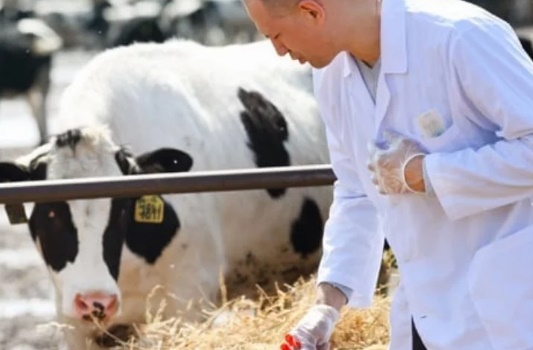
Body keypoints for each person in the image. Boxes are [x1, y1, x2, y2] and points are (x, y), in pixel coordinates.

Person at [242, 0, 533, 349]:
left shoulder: (459, 35)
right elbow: (357, 189)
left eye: (276, 35)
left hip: (508, 310)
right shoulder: (332, 73)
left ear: (312, 11)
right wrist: (328, 305)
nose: (278, 50)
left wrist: (425, 173)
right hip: (423, 312)